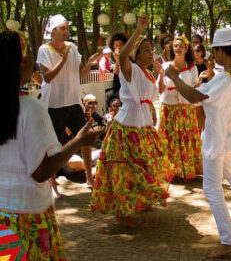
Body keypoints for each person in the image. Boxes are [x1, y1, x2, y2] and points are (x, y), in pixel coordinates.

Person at [0, 30, 102, 260]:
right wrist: (78, 142)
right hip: (28, 217)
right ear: (24, 64)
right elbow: (41, 171)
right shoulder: (31, 109)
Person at [165, 28, 231, 259]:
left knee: (212, 189)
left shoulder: (224, 80)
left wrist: (175, 77)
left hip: (216, 138)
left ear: (219, 51)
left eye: (214, 51)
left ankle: (228, 240)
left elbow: (194, 97)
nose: (212, 56)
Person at [91, 15, 174, 226]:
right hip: (127, 125)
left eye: (150, 50)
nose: (150, 52)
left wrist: (161, 74)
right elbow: (124, 54)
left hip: (144, 124)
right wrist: (138, 31)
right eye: (145, 50)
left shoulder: (146, 72)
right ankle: (123, 212)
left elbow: (157, 93)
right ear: (136, 55)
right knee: (124, 169)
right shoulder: (131, 69)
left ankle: (140, 201)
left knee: (144, 165)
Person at [37, 14, 100, 188]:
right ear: (53, 30)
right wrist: (63, 60)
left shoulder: (72, 47)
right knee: (52, 145)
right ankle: (51, 181)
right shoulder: (44, 50)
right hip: (54, 104)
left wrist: (89, 63)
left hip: (73, 102)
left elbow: (80, 75)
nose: (66, 31)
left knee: (84, 139)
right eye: (63, 28)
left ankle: (89, 177)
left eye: (67, 28)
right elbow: (47, 77)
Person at [157, 35, 202, 180]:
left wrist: (200, 81)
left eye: (180, 46)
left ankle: (186, 170)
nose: (177, 48)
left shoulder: (192, 67)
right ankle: (170, 171)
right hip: (169, 107)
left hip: (185, 107)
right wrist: (161, 74)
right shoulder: (165, 66)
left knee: (186, 137)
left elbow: (194, 86)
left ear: (186, 48)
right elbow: (160, 88)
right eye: (175, 45)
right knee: (170, 139)